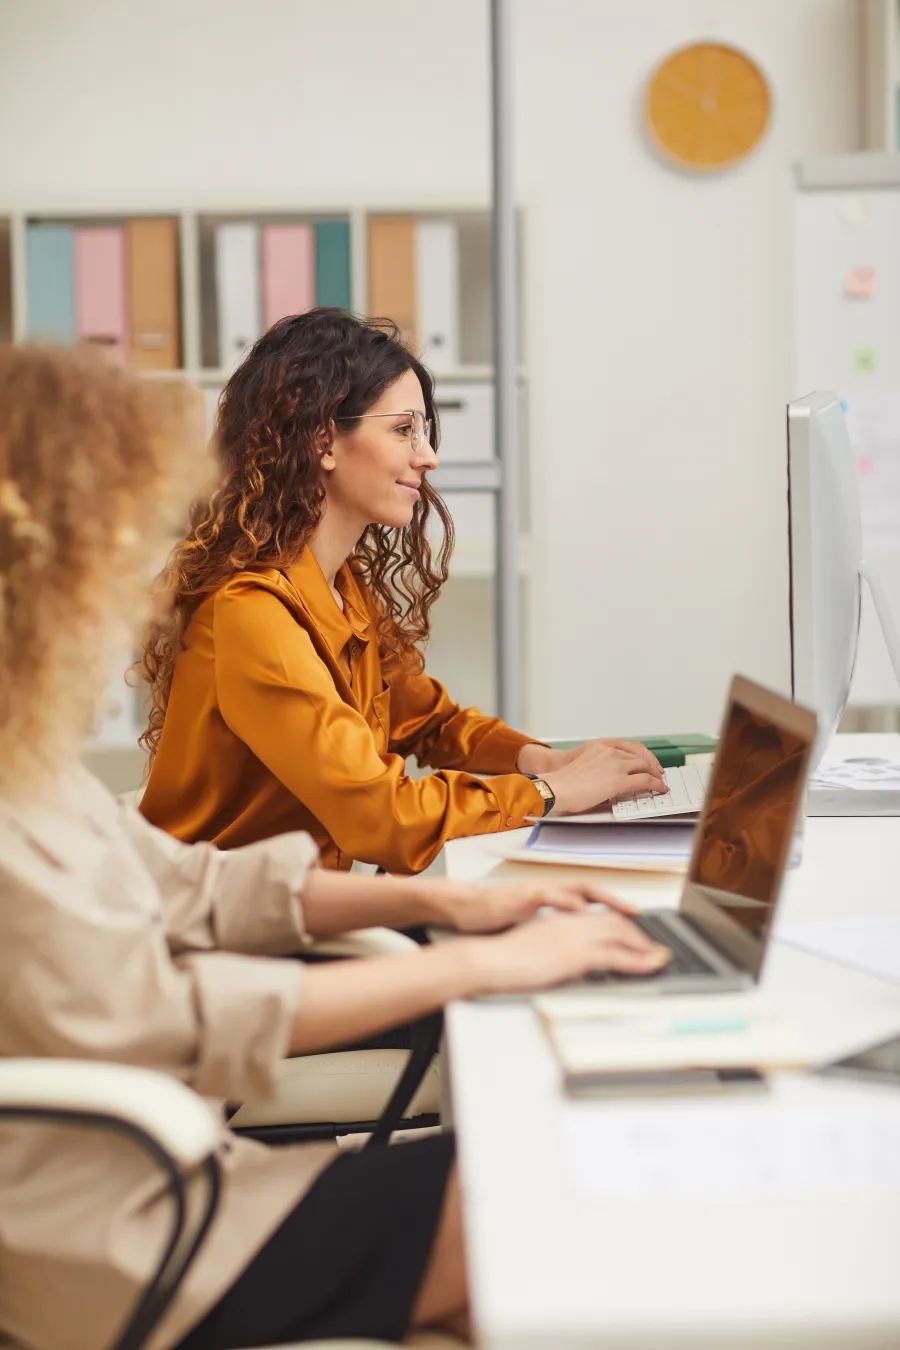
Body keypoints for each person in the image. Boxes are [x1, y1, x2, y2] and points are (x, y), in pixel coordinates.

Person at [0, 344, 670, 1350]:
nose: (121, 587)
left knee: (548, 1188)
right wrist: (475, 958)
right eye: (105, 547)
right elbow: (168, 1009)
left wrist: (451, 908)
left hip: (185, 1174)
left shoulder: (31, 762)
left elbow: (199, 886)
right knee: (558, 1197)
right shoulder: (242, 619)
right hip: (140, 1236)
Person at [138, 309, 667, 872]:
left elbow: (427, 720)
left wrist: (544, 760)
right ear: (324, 440)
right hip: (218, 933)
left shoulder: (340, 584)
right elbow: (383, 816)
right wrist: (550, 793)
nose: (428, 455)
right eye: (403, 429)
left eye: (424, 431)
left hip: (293, 908)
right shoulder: (252, 612)